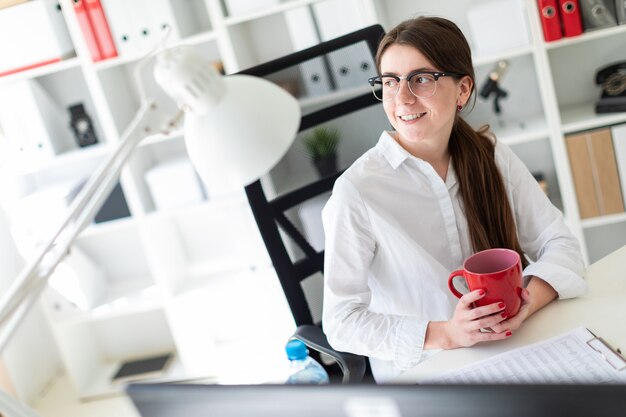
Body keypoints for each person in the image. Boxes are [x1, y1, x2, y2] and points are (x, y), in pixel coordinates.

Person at [321, 16, 588, 383]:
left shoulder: (490, 155)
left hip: (512, 350)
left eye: (421, 79)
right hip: (426, 372)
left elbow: (560, 244)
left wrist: (527, 304)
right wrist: (447, 333)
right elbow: (341, 322)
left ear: (463, 90)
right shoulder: (358, 191)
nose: (401, 97)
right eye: (389, 82)